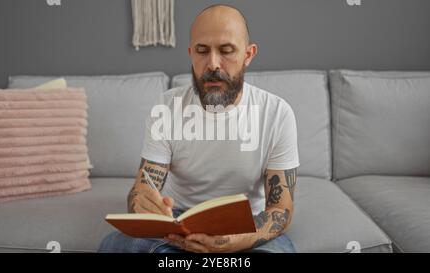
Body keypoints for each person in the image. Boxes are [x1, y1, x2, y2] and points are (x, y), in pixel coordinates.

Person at [98, 4, 299, 253]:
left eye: (226, 51)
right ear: (191, 53)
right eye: (202, 51)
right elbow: (142, 189)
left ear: (248, 54)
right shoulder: (166, 107)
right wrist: (143, 204)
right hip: (178, 221)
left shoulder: (277, 113)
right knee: (117, 247)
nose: (213, 64)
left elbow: (280, 210)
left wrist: (232, 242)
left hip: (247, 224)